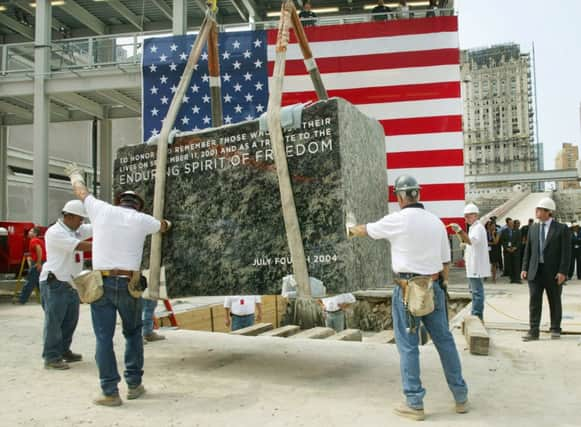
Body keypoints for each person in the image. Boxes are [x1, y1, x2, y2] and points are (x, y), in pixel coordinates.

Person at [348, 175, 468, 421]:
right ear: (418, 194)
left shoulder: (396, 221)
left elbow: (365, 230)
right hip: (433, 286)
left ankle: (414, 403)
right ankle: (461, 397)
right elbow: (446, 262)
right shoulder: (436, 222)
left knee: (408, 346)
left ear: (399, 196)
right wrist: (442, 286)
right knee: (445, 341)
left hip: (407, 290)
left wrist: (349, 228)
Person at [65, 163, 171, 406]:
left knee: (104, 338)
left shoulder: (101, 209)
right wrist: (167, 224)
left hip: (100, 283)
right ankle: (134, 385)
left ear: (118, 201)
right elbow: (162, 227)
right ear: (138, 206)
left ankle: (110, 392)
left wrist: (75, 175)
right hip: (129, 284)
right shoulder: (142, 220)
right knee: (133, 333)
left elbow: (81, 192)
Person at [40, 200, 92, 370]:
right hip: (55, 282)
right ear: (68, 216)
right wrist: (103, 246)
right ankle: (51, 356)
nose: (81, 223)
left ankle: (63, 350)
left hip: (70, 283)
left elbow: (94, 229)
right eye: (79, 219)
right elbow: (79, 246)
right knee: (54, 322)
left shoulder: (75, 230)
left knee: (70, 320)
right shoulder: (55, 232)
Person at [521, 198, 571, 341]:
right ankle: (533, 330)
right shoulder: (533, 228)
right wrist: (524, 268)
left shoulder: (561, 229)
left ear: (548, 212)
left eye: (540, 209)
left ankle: (555, 328)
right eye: (537, 209)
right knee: (534, 302)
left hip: (554, 273)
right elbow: (528, 251)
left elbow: (566, 253)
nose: (537, 212)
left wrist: (563, 272)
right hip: (535, 271)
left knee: (554, 300)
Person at [450, 204, 491, 321]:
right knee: (474, 292)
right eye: (465, 216)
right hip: (472, 266)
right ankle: (475, 314)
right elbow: (468, 242)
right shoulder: (473, 227)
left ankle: (477, 316)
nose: (466, 218)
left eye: (469, 216)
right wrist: (463, 242)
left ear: (476, 215)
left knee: (477, 293)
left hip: (476, 266)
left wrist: (459, 231)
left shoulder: (478, 228)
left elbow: (470, 241)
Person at [18, 226, 46, 304]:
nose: (29, 232)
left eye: (31, 231)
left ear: (35, 233)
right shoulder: (39, 240)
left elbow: (39, 249)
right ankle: (44, 300)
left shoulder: (34, 240)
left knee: (29, 282)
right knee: (39, 282)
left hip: (38, 262)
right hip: (42, 262)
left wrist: (38, 263)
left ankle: (22, 300)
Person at [501, 218, 522, 283]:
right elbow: (503, 241)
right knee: (510, 265)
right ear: (507, 224)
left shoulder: (517, 231)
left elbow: (519, 241)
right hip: (508, 251)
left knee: (516, 265)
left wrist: (515, 247)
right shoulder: (504, 231)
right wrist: (506, 248)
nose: (511, 224)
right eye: (510, 223)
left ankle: (517, 279)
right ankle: (512, 278)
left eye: (512, 223)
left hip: (515, 251)